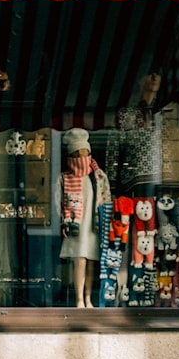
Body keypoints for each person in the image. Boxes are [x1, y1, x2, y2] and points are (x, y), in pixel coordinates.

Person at [58, 128, 111, 308]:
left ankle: (88, 298)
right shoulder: (64, 178)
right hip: (76, 226)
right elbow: (57, 203)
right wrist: (64, 221)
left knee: (91, 263)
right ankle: (79, 299)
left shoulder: (99, 176)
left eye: (85, 153)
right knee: (79, 260)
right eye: (77, 154)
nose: (82, 158)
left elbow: (107, 199)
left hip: (95, 224)